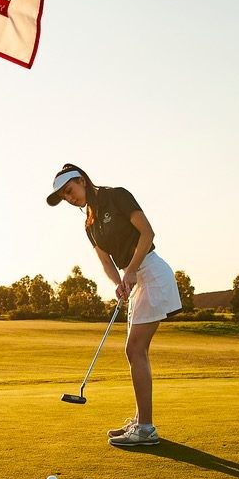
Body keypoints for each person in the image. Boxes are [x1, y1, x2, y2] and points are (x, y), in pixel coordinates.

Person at [47, 163, 182, 448]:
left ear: (82, 180)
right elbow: (106, 262)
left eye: (70, 191)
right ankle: (140, 420)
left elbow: (148, 233)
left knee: (134, 349)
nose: (69, 198)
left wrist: (130, 271)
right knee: (135, 351)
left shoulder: (116, 195)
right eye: (64, 197)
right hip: (134, 280)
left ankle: (145, 428)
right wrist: (119, 282)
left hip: (152, 273)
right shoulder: (89, 225)